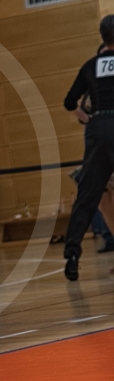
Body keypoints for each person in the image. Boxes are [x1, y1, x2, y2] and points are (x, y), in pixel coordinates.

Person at [63, 15, 114, 281]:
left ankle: (72, 255)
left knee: (87, 196)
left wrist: (89, 118)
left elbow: (69, 102)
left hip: (100, 126)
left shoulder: (91, 65)